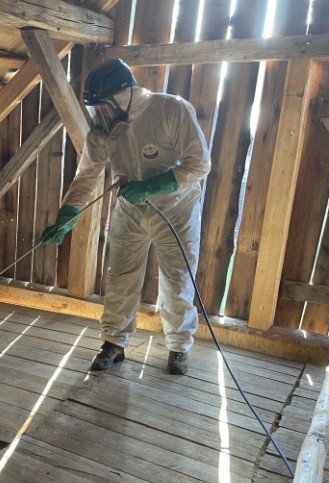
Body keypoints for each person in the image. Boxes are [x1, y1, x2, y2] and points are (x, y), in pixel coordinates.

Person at [40, 59, 211, 375]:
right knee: (120, 276)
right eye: (96, 109)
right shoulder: (105, 130)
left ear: (125, 95)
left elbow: (199, 164)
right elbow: (88, 173)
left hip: (177, 208)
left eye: (104, 106)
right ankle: (114, 342)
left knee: (177, 278)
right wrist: (69, 212)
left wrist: (151, 185)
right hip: (131, 209)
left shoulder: (171, 110)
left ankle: (178, 347)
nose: (100, 114)